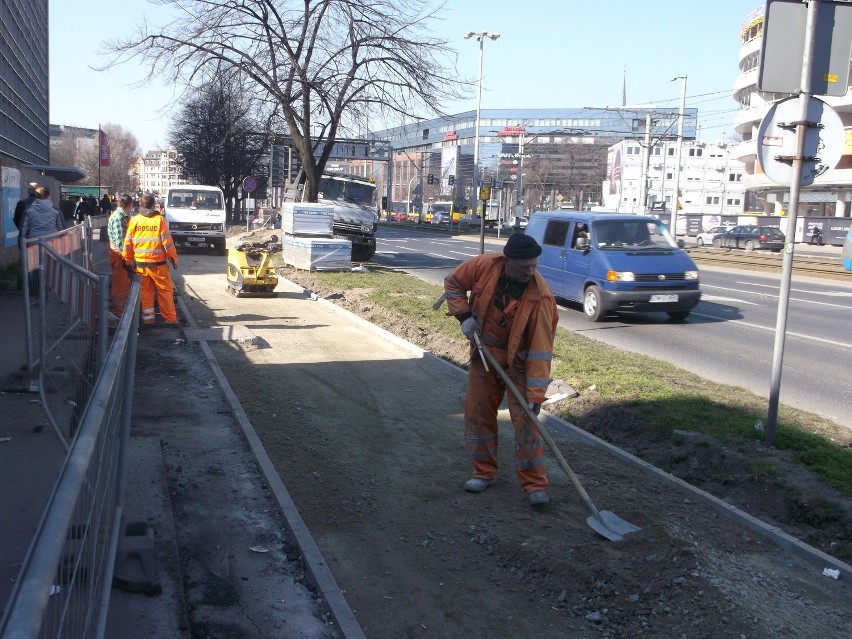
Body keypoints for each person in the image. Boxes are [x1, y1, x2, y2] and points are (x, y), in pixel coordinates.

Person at [440, 233, 559, 506]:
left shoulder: (540, 298)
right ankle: (483, 472)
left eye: (534, 266)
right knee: (478, 413)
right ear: (507, 261)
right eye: (523, 267)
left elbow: (542, 350)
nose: (529, 272)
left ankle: (534, 485)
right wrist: (464, 316)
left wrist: (536, 392)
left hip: (520, 366)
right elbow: (453, 283)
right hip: (484, 356)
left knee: (527, 424)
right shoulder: (485, 266)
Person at [122, 194, 179, 327]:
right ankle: (169, 320)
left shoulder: (134, 220)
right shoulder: (159, 220)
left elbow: (128, 243)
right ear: (153, 205)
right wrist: (173, 259)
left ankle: (148, 320)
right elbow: (167, 242)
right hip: (158, 265)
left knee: (145, 292)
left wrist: (126, 260)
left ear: (140, 205)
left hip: (141, 265)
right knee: (164, 291)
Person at [21, 186, 65, 297]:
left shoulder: (29, 210)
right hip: (51, 242)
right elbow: (60, 228)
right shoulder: (54, 210)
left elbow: (24, 228)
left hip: (34, 241)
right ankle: (48, 290)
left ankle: (36, 291)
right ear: (48, 196)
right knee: (49, 267)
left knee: (34, 267)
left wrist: (23, 239)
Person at [107, 194, 134, 318]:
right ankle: (117, 312)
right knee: (120, 285)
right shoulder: (119, 218)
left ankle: (120, 310)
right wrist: (127, 259)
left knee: (122, 284)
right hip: (119, 256)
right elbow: (120, 242)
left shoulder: (121, 216)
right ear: (129, 205)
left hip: (120, 256)